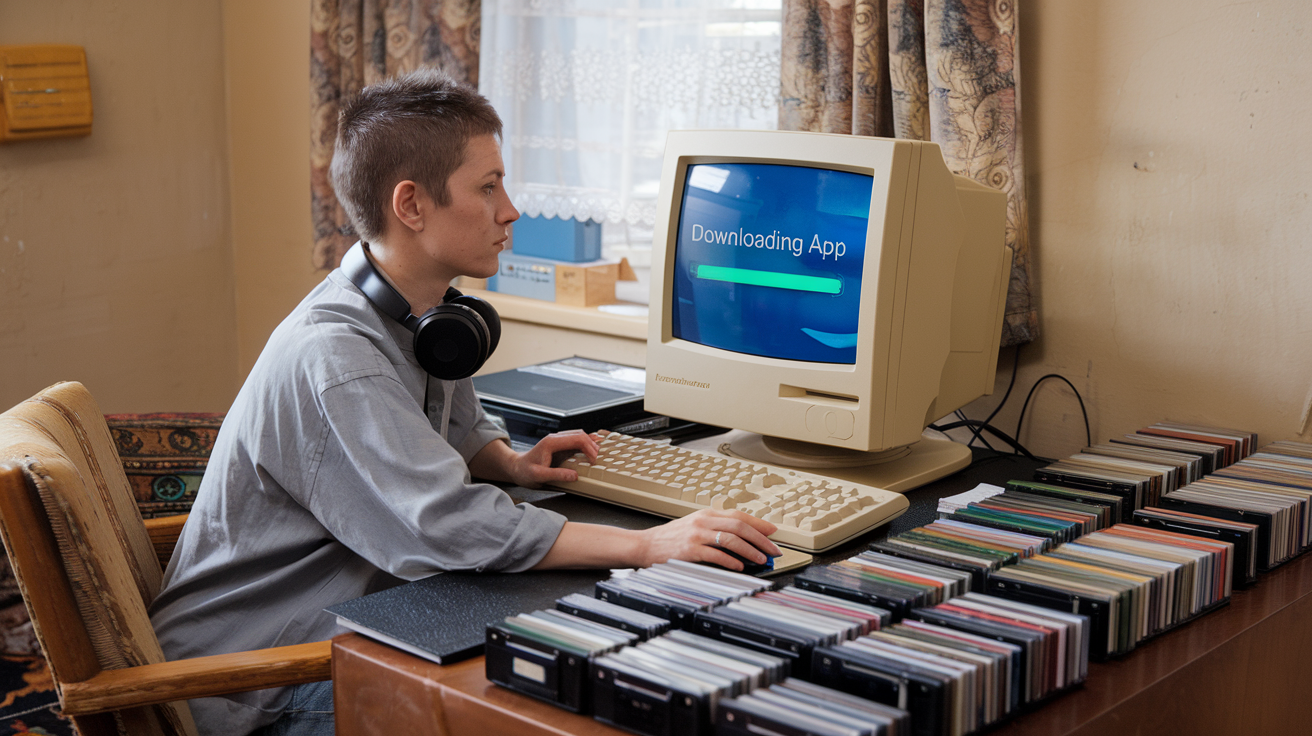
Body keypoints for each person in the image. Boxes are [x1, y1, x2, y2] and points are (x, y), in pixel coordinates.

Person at [148, 68, 780, 736]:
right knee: (541, 701)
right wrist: (648, 545)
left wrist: (508, 462)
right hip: (245, 681)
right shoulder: (337, 357)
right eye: (487, 187)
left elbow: (451, 425)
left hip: (327, 626)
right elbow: (449, 525)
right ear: (412, 206)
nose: (510, 210)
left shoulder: (421, 317)